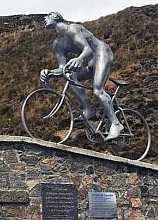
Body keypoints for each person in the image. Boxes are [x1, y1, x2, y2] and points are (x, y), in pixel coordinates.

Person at [39, 11, 124, 141]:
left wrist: (79, 59)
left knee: (97, 90)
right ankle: (88, 109)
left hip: (100, 53)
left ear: (56, 17)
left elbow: (88, 49)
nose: (44, 18)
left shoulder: (72, 28)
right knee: (67, 74)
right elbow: (62, 69)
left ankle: (116, 124)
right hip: (88, 61)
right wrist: (49, 72)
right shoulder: (57, 44)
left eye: (47, 16)